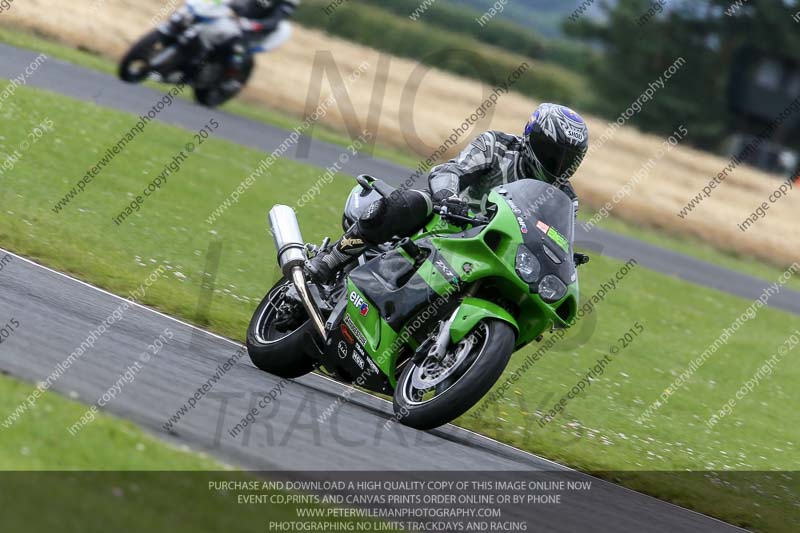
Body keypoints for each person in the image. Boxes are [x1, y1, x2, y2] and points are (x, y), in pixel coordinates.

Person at [307, 103, 590, 283]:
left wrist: (564, 259)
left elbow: (557, 235)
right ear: (531, 138)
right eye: (553, 153)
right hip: (452, 223)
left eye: (569, 158)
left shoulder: (567, 197)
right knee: (417, 202)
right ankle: (333, 258)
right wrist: (447, 197)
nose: (559, 164)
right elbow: (450, 171)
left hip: (498, 253)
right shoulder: (498, 146)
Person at [221, 0, 299, 91]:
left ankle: (231, 78)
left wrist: (254, 25)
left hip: (258, 31)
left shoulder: (287, 2)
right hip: (236, 20)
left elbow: (274, 21)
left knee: (238, 48)